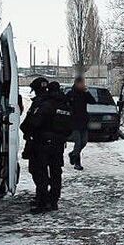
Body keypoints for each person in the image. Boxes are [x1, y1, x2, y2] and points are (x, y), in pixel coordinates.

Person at [20, 79, 72, 213]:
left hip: (42, 143)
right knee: (56, 172)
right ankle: (53, 201)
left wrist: (28, 131)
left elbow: (33, 122)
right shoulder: (66, 104)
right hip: (58, 144)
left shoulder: (46, 104)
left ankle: (42, 202)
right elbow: (70, 126)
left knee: (41, 172)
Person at [67, 76, 96, 171]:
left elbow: (93, 101)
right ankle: (77, 163)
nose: (83, 85)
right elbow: (65, 104)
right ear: (76, 83)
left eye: (83, 83)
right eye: (81, 83)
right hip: (74, 122)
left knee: (84, 142)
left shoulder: (84, 94)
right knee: (78, 143)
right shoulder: (70, 94)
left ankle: (73, 154)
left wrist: (87, 92)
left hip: (83, 121)